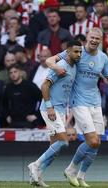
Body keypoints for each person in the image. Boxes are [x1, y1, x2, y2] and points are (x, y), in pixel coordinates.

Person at [45, 27, 108, 187]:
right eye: (92, 37)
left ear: (101, 40)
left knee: (97, 142)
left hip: (96, 103)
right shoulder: (76, 53)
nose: (94, 40)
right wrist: (55, 67)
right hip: (78, 102)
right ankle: (71, 169)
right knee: (91, 139)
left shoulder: (103, 58)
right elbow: (49, 60)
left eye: (98, 38)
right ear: (87, 37)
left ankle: (81, 176)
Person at [27, 40, 82, 187]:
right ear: (68, 52)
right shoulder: (61, 66)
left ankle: (36, 177)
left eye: (80, 52)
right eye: (76, 51)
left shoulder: (75, 66)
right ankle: (36, 165)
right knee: (63, 142)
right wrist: (50, 107)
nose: (78, 54)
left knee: (54, 148)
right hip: (50, 109)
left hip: (60, 110)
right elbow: (44, 85)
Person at [3, 64, 42, 128]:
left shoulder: (30, 86)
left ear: (20, 73)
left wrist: (36, 115)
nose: (13, 74)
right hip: (14, 121)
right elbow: (5, 103)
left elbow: (42, 99)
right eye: (11, 73)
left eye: (15, 72)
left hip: (29, 121)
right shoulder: (8, 88)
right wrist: (7, 116)